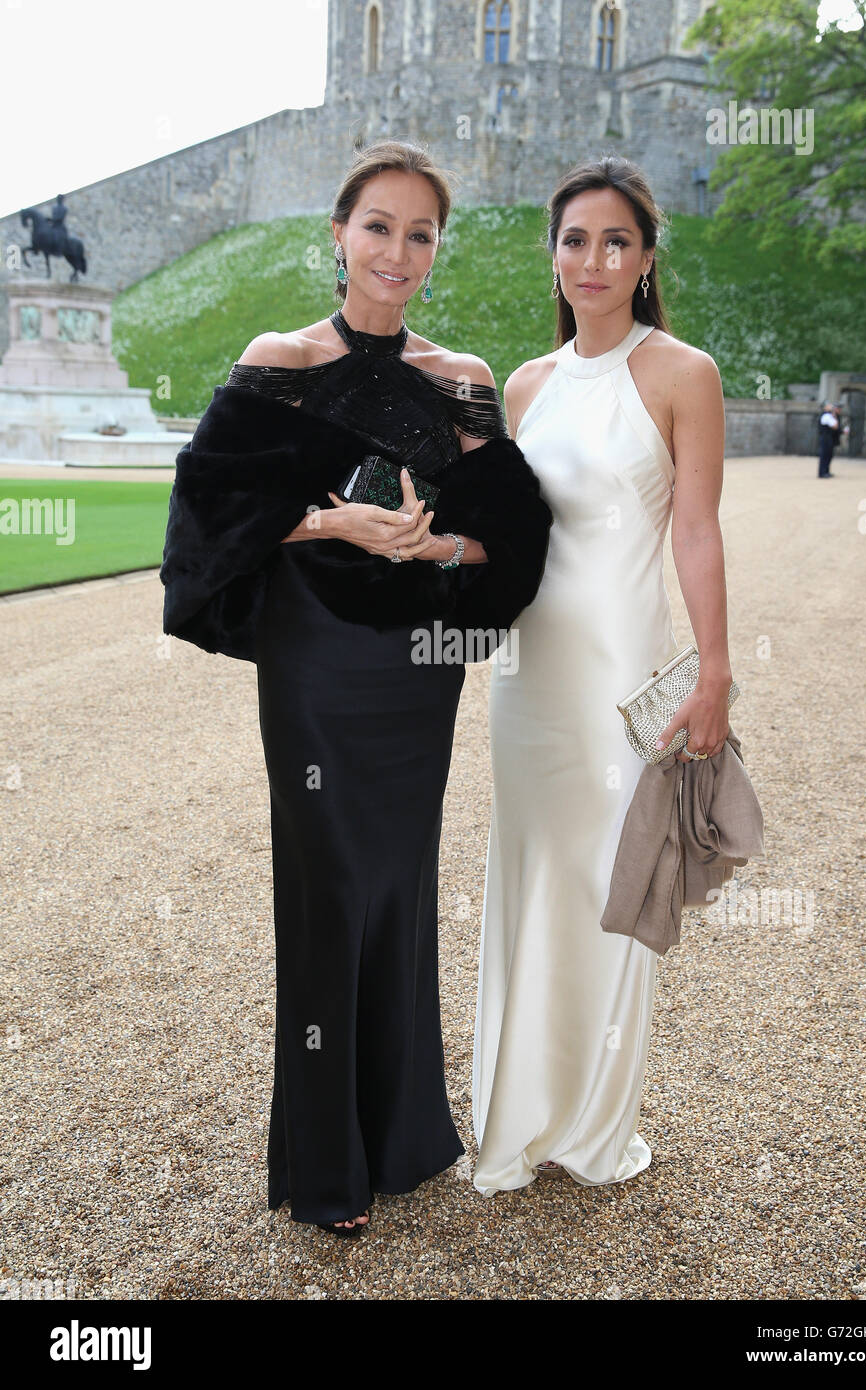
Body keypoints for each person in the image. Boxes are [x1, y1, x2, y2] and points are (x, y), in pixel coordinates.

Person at [159, 140, 552, 1236]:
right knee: (330, 885)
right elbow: (203, 524)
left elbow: (511, 546)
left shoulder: (461, 378)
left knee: (400, 883)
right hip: (315, 657)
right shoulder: (277, 357)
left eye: (419, 232)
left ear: (436, 250)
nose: (396, 249)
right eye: (377, 225)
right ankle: (327, 1165)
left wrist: (434, 550)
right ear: (338, 235)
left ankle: (402, 1133)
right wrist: (337, 520)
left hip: (414, 669)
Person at [471, 155, 734, 1195]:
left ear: (644, 257)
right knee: (531, 879)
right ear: (553, 256)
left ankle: (590, 1125)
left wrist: (712, 673)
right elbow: (499, 538)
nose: (592, 259)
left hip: (618, 679)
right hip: (525, 677)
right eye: (574, 239)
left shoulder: (682, 373)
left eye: (614, 240)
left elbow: (700, 534)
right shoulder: (524, 384)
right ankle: (516, 1115)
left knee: (609, 889)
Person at [817, 402, 840, 477]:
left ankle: (826, 471)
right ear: (825, 407)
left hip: (827, 437)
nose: (831, 407)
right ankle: (823, 472)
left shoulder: (828, 415)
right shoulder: (826, 415)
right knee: (824, 455)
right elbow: (835, 426)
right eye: (829, 406)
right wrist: (834, 416)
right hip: (825, 438)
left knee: (828, 455)